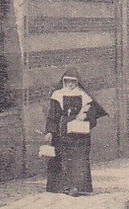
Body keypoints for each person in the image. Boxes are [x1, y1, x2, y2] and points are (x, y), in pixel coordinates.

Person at [44, 68, 108, 196]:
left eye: (73, 82)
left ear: (77, 83)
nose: (70, 85)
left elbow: (92, 114)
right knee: (63, 157)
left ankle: (78, 187)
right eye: (68, 82)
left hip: (80, 135)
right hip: (62, 131)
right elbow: (52, 115)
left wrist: (85, 117)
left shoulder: (84, 96)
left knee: (79, 159)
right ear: (64, 82)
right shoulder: (57, 95)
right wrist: (50, 131)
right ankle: (63, 186)